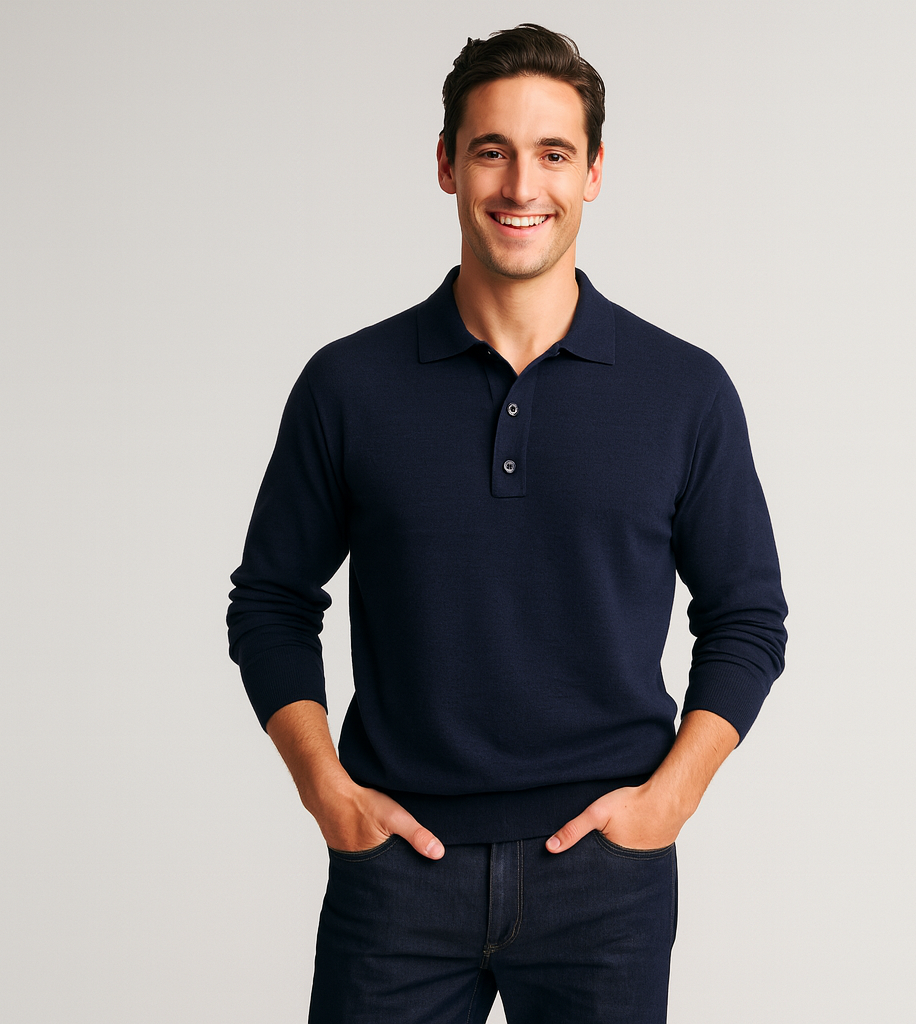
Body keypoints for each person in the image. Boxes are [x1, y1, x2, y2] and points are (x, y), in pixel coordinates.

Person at [227, 23, 787, 1024]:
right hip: (396, 874)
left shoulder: (683, 391)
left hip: (604, 882)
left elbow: (746, 617)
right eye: (492, 150)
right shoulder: (348, 385)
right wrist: (325, 789)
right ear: (446, 164)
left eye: (553, 153)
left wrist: (669, 800)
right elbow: (270, 600)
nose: (521, 184)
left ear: (594, 172)